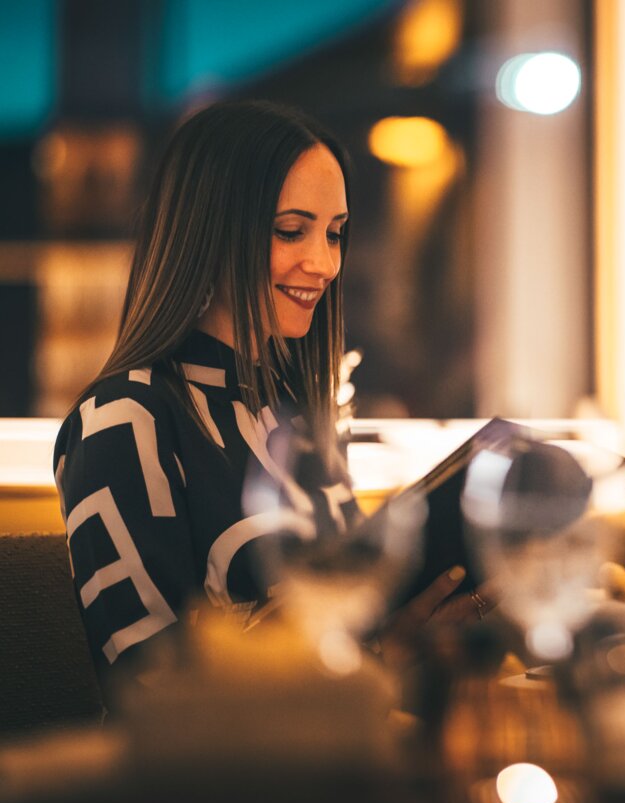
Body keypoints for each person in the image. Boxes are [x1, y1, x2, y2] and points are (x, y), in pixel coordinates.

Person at [53, 99, 486, 706]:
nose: (325, 262)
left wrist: (404, 640)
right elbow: (151, 690)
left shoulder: (298, 415)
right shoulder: (124, 419)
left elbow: (344, 650)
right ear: (208, 230)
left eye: (335, 233)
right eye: (291, 230)